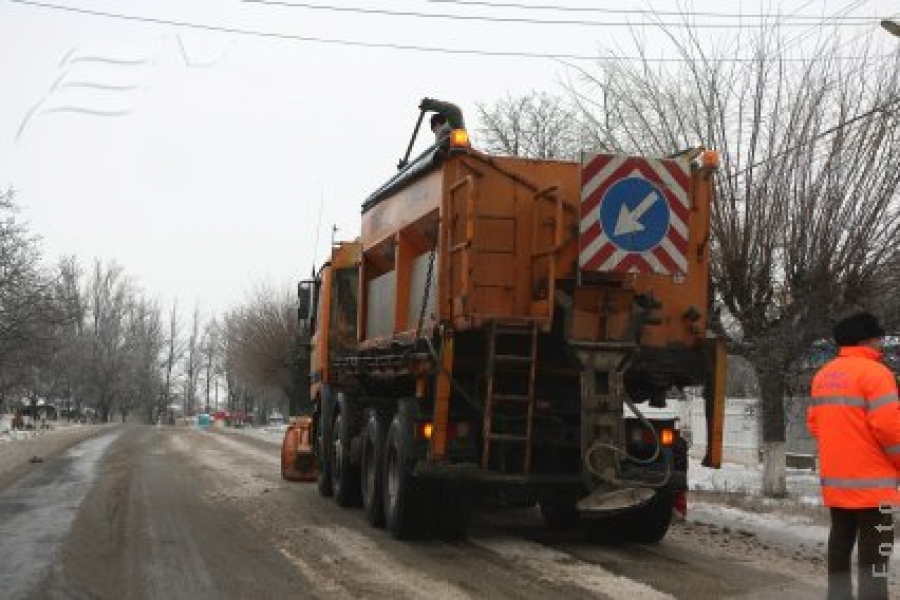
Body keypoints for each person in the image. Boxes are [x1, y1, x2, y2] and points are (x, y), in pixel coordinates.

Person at [808, 311, 900, 600]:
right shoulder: (877, 374)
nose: (882, 343)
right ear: (867, 339)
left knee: (839, 548)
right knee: (876, 555)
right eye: (879, 337)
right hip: (876, 488)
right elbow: (890, 429)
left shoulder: (823, 376)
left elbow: (815, 424)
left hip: (838, 484)